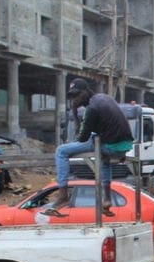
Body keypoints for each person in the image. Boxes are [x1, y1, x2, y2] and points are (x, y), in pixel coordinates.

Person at [47, 78, 133, 216]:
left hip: (111, 146)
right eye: (73, 97)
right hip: (123, 146)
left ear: (86, 92)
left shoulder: (91, 109)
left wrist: (75, 114)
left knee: (61, 151)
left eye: (77, 95)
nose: (75, 99)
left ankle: (63, 194)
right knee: (103, 157)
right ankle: (107, 199)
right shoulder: (103, 98)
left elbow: (82, 138)